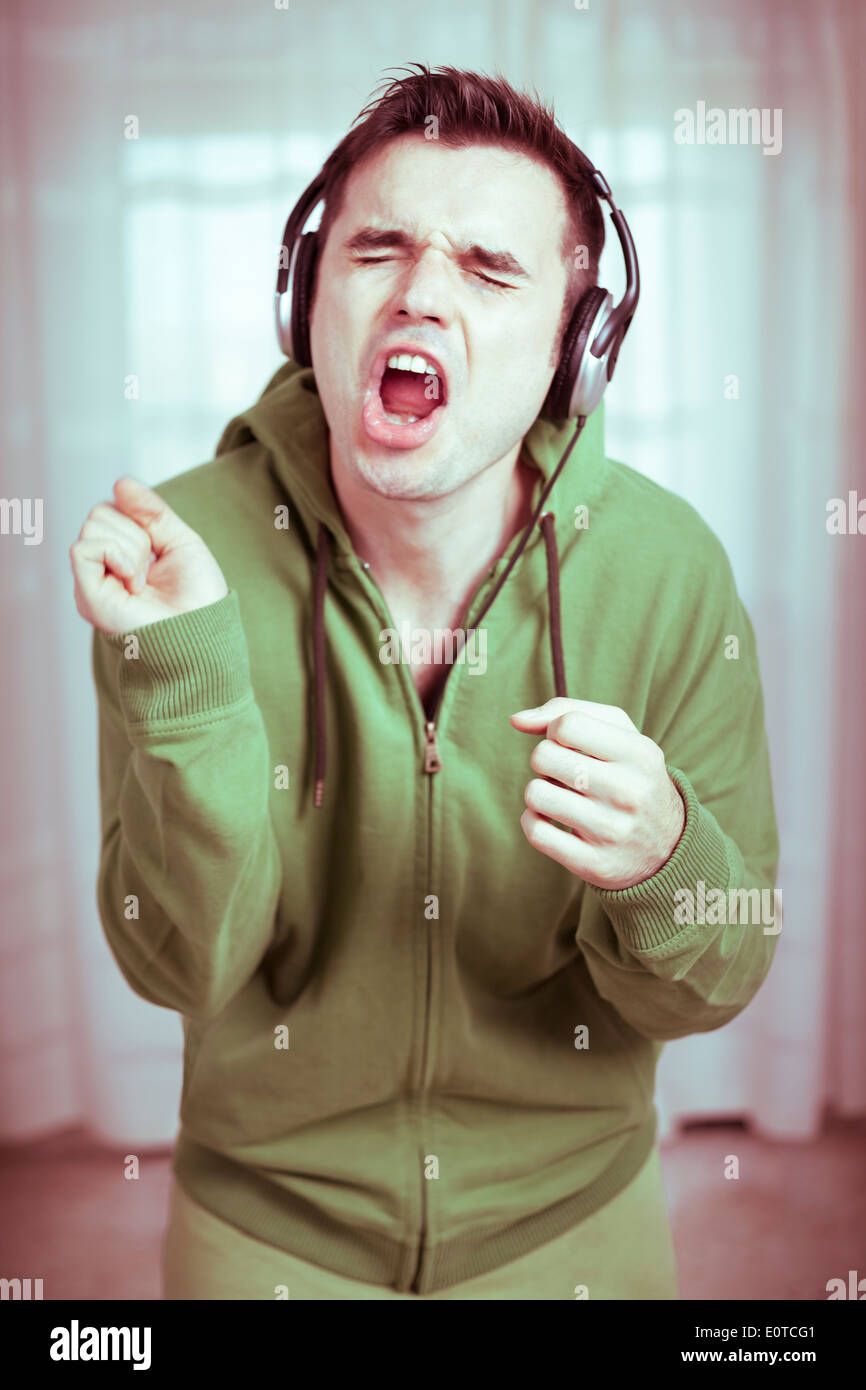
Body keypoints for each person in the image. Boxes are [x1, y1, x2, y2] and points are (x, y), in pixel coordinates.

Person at [70, 64, 780, 1301]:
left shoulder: (669, 570)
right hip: (265, 1235)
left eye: (489, 269)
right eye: (376, 251)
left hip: (572, 1229)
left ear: (576, 340)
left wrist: (669, 858)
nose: (418, 296)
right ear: (306, 298)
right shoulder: (178, 560)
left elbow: (715, 979)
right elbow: (175, 963)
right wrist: (182, 679)